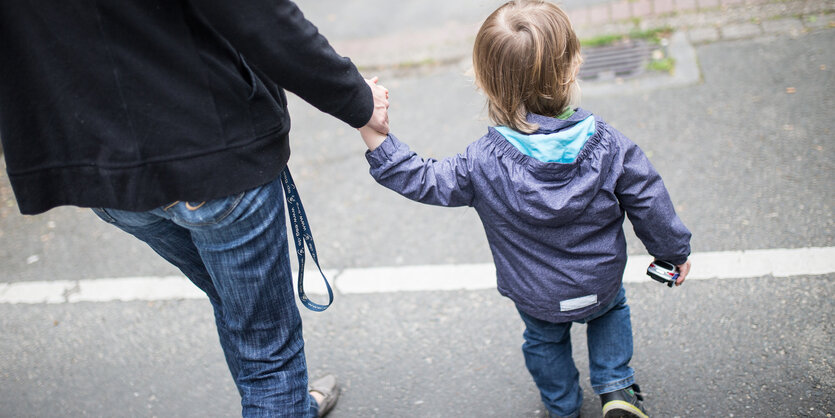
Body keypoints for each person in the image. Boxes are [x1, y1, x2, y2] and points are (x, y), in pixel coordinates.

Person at [0, 1, 389, 416]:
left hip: (101, 169)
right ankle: (282, 404)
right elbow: (259, 16)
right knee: (267, 353)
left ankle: (287, 405)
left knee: (235, 302)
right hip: (209, 149)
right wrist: (357, 99)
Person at [358, 1, 691, 417]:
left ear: (484, 81)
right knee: (611, 313)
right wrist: (673, 253)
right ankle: (617, 390)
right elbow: (650, 200)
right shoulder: (611, 145)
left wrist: (374, 133)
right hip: (600, 280)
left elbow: (424, 179)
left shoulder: (482, 161)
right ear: (573, 67)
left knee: (544, 341)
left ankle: (562, 407)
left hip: (535, 294)